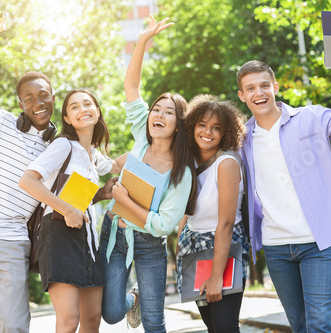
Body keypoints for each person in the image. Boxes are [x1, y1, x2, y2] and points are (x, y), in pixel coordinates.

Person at [0, 28, 113, 333]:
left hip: (12, 242)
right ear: (21, 105)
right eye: (29, 99)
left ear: (53, 100)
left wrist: (101, 195)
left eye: (43, 96)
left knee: (15, 327)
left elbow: (74, 194)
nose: (37, 103)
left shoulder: (61, 146)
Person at [237, 58, 331, 332]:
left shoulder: (312, 117)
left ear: (275, 87)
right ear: (242, 96)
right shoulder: (241, 138)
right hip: (276, 247)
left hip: (319, 243)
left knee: (320, 323)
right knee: (299, 325)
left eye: (265, 85)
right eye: (251, 88)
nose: (259, 93)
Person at [100, 15, 197, 332]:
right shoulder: (141, 138)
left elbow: (162, 226)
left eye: (169, 112)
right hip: (115, 233)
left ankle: (146, 301)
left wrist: (125, 200)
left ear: (179, 123)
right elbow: (131, 86)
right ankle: (134, 299)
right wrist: (142, 41)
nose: (159, 114)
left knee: (155, 322)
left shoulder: (182, 172)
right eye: (157, 108)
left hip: (149, 244)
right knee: (113, 312)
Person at [19, 88, 123, 333]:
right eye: (74, 107)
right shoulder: (64, 145)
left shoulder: (93, 155)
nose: (82, 109)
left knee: (91, 320)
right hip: (59, 236)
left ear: (97, 111)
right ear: (66, 118)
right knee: (69, 320)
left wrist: (155, 140)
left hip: (89, 239)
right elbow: (28, 181)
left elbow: (117, 164)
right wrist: (67, 210)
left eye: (87, 104)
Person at [177, 94, 250, 333]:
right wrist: (180, 239)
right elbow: (187, 210)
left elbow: (227, 223)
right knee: (212, 326)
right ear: (192, 126)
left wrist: (217, 275)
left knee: (225, 326)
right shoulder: (190, 162)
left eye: (216, 127)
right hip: (194, 249)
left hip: (223, 248)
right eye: (202, 125)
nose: (208, 132)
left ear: (225, 132)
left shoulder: (226, 163)